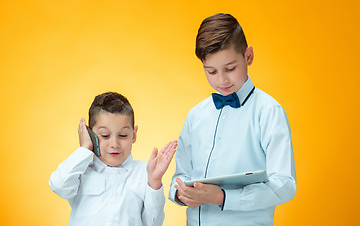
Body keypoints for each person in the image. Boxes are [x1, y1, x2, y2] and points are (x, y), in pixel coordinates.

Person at [169, 13, 296, 226]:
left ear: (248, 56)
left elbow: (284, 184)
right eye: (211, 71)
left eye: (230, 68)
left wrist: (221, 197)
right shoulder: (195, 115)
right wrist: (181, 194)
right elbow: (181, 175)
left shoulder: (269, 111)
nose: (222, 80)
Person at [49, 92, 177, 226]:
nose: (114, 144)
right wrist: (85, 148)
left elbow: (153, 223)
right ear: (90, 134)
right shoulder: (80, 172)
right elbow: (58, 185)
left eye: (122, 135)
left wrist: (154, 182)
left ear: (133, 135)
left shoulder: (144, 172)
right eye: (105, 135)